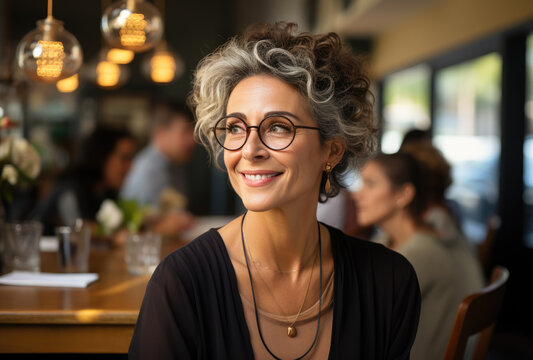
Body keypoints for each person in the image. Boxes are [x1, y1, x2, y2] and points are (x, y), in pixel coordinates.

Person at [129, 22, 421, 359]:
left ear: (332, 151)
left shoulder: (388, 282)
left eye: (278, 127)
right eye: (235, 127)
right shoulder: (181, 283)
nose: (250, 150)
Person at [355, 152, 484, 360]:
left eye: (370, 184)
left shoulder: (417, 254)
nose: (357, 194)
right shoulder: (422, 235)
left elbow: (357, 322)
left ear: (403, 194)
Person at [37, 126, 137, 238]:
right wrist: (114, 235)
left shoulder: (104, 193)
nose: (130, 167)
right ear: (102, 156)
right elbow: (76, 228)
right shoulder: (71, 189)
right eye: (124, 158)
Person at [120, 100, 196, 236]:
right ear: (161, 133)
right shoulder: (147, 171)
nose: (193, 140)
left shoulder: (174, 165)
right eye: (185, 131)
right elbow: (135, 233)